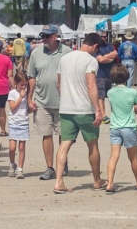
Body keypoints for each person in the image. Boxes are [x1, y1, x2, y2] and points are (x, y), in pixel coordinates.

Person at [53, 32, 106, 194]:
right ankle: (97, 180)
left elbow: (59, 84)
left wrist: (67, 98)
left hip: (66, 108)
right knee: (93, 145)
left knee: (64, 145)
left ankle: (58, 181)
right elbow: (91, 85)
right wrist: (98, 109)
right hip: (84, 110)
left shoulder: (65, 58)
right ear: (95, 46)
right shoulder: (90, 60)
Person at [27, 25, 72, 180]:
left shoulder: (67, 52)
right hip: (42, 102)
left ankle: (63, 161)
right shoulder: (36, 53)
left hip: (63, 102)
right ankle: (50, 167)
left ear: (55, 36)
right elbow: (31, 77)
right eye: (42, 36)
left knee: (63, 135)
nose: (43, 39)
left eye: (47, 36)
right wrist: (29, 98)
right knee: (46, 135)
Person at [106, 64, 137, 193]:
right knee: (133, 157)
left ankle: (110, 183)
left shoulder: (110, 92)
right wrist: (135, 108)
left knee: (114, 156)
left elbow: (114, 108)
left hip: (115, 127)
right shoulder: (131, 92)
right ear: (126, 76)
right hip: (128, 127)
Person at [8, 70, 30, 179]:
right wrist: (20, 97)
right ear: (16, 83)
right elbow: (12, 108)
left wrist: (31, 108)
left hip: (24, 122)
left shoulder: (27, 94)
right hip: (14, 122)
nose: (23, 87)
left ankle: (20, 169)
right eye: (21, 84)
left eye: (25, 85)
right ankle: (12, 164)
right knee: (12, 147)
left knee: (21, 147)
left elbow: (26, 109)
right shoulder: (12, 93)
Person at [95, 32, 117, 123]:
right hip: (100, 75)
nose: (104, 38)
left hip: (109, 75)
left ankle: (115, 115)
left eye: (105, 36)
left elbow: (115, 54)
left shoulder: (109, 46)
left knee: (111, 96)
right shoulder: (96, 47)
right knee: (101, 96)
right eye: (102, 37)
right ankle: (103, 115)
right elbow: (101, 60)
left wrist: (105, 57)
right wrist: (109, 57)